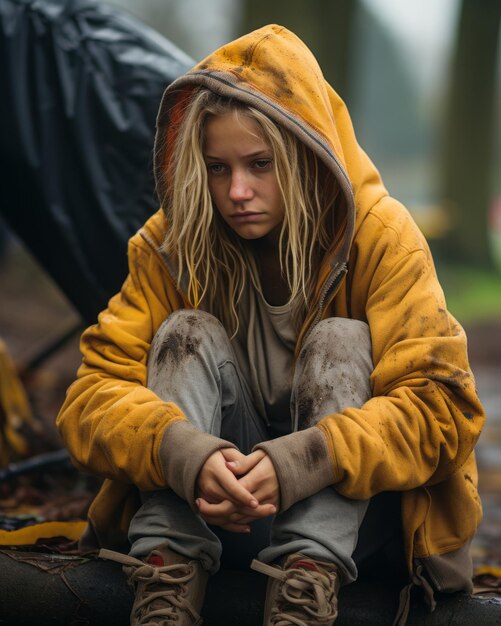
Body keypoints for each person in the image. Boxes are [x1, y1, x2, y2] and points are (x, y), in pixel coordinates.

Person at [56, 24, 485, 626]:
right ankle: (166, 582)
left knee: (343, 338)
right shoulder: (169, 247)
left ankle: (303, 591)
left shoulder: (383, 239)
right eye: (216, 168)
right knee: (185, 331)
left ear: (305, 155)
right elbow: (89, 400)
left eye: (261, 165)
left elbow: (445, 409)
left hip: (359, 539)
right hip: (213, 517)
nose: (237, 192)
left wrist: (305, 461)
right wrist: (182, 452)